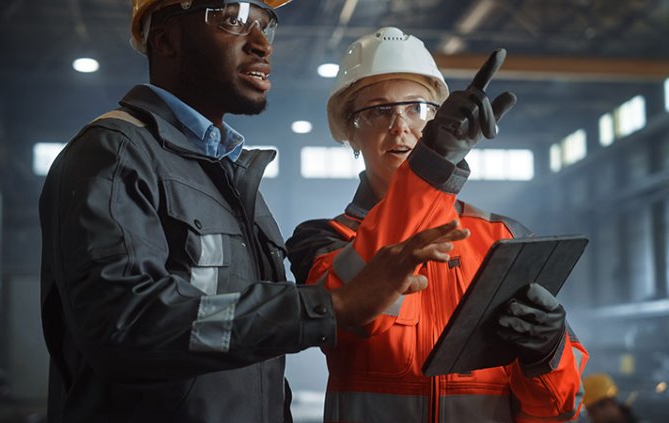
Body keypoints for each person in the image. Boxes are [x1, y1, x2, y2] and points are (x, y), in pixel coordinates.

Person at [38, 3, 469, 422]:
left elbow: (241, 344)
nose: (263, 44)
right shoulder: (115, 154)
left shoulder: (225, 176)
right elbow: (125, 326)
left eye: (266, 23)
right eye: (234, 20)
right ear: (166, 40)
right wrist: (330, 306)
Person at [286, 26, 590, 422]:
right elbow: (352, 315)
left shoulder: (506, 238)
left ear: (438, 118)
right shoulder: (323, 239)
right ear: (350, 133)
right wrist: (432, 165)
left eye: (416, 108)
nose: (400, 126)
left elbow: (556, 410)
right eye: (378, 110)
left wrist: (546, 353)